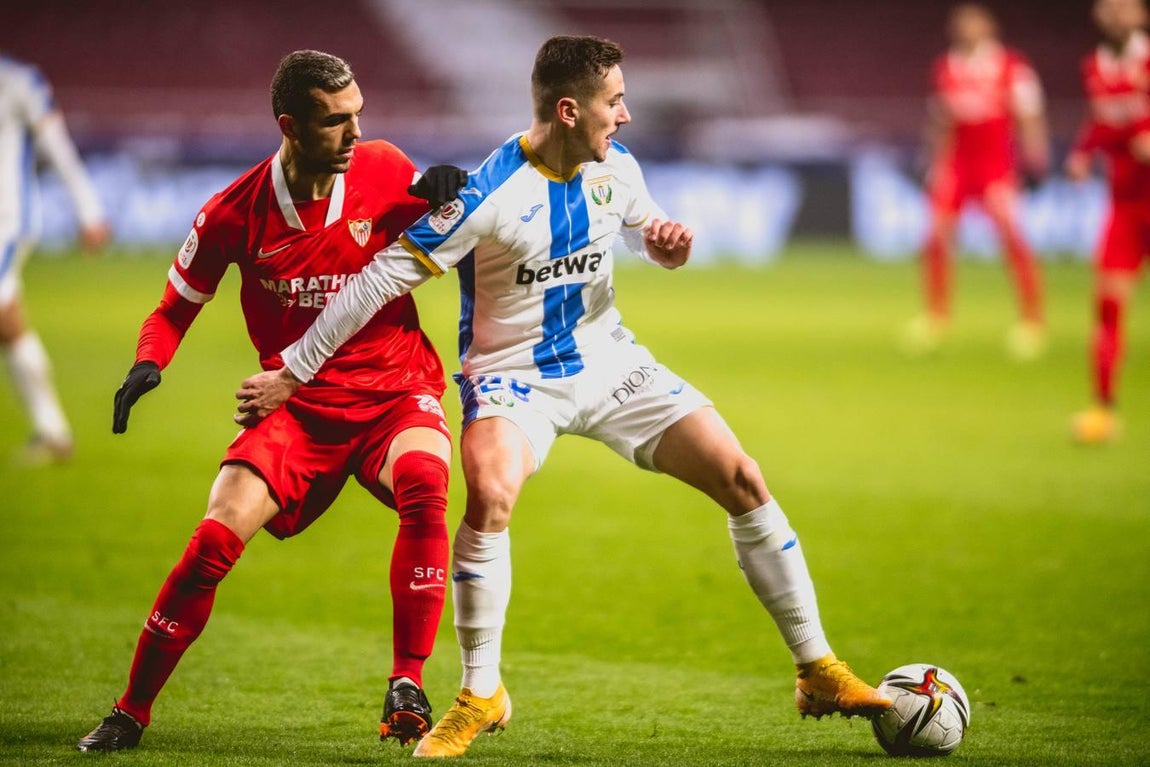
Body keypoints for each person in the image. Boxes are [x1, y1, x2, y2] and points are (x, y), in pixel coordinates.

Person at [236, 36, 891, 759]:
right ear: (570, 111)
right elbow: (377, 280)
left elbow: (644, 234)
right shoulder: (488, 195)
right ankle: (481, 692)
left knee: (741, 476)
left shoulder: (617, 167)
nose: (626, 114)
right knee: (489, 493)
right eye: (615, 101)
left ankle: (816, 668)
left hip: (607, 361)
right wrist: (294, 370)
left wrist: (665, 247)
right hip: (513, 376)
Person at [75, 50, 468, 752]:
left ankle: (406, 682)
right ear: (290, 125)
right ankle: (130, 711)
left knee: (425, 482)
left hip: (394, 390)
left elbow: (454, 219)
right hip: (295, 407)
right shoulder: (233, 212)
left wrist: (446, 188)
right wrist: (148, 361)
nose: (354, 132)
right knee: (214, 537)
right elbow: (172, 309)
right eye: (336, 120)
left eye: (358, 115)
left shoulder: (382, 168)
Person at [905, 3, 1050, 360]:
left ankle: (1032, 321)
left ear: (989, 28)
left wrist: (1035, 158)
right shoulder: (946, 67)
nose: (966, 29)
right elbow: (941, 121)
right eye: (961, 23)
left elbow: (1030, 115)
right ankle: (937, 317)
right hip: (957, 165)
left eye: (973, 23)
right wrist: (935, 164)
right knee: (936, 236)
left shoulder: (1011, 66)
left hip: (995, 165)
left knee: (1011, 237)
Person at [0, 53, 110, 465]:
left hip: (5, 224)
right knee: (8, 324)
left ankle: (52, 433)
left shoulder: (17, 81)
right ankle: (52, 433)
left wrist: (88, 209)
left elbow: (57, 145)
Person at [1067, 0, 1150, 444]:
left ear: (1141, 15)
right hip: (1126, 207)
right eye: (1109, 7)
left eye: (1125, 7)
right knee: (1108, 306)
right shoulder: (1095, 67)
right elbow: (1100, 120)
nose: (1116, 14)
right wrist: (1083, 153)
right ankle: (1103, 408)